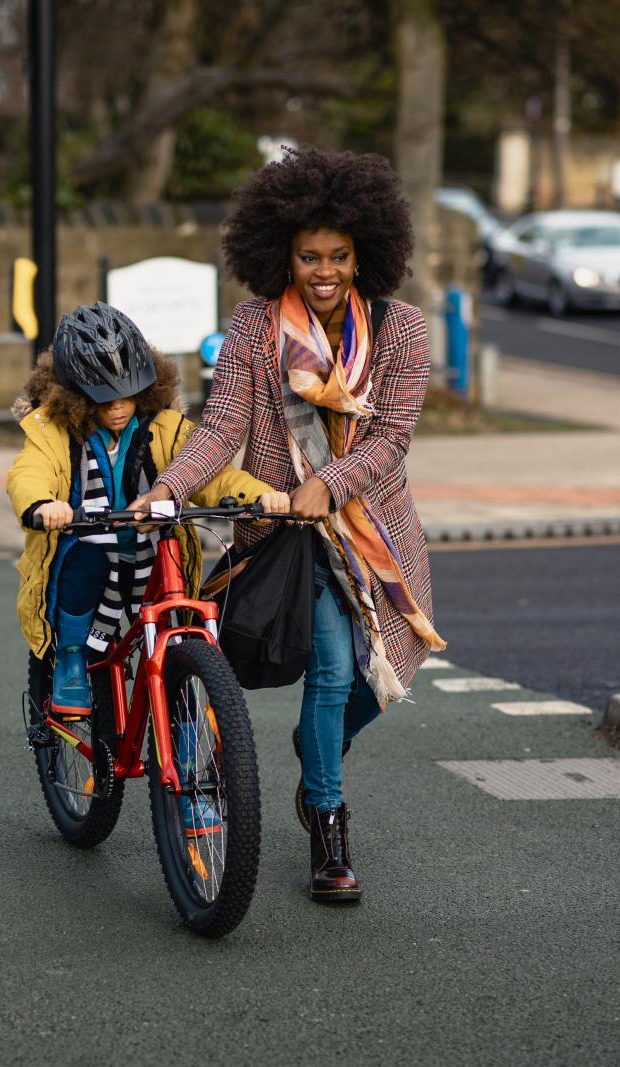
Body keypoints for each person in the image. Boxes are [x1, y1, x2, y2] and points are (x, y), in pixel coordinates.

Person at [133, 146, 448, 903]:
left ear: (365, 252)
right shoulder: (255, 327)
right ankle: (329, 830)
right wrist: (168, 486)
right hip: (287, 529)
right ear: (283, 253)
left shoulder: (402, 331)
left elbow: (391, 440)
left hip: (375, 528)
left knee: (386, 675)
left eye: (339, 255)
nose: (325, 271)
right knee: (334, 666)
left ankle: (314, 752)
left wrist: (331, 483)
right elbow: (220, 430)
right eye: (309, 255)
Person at [7, 303, 288, 833]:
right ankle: (70, 658)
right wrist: (44, 504)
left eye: (128, 393)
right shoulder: (49, 431)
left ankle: (195, 784)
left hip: (151, 559)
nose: (118, 407)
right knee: (87, 554)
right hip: (86, 554)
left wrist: (262, 495)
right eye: (103, 397)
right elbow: (29, 472)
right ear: (72, 393)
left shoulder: (166, 426)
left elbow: (211, 475)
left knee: (187, 661)